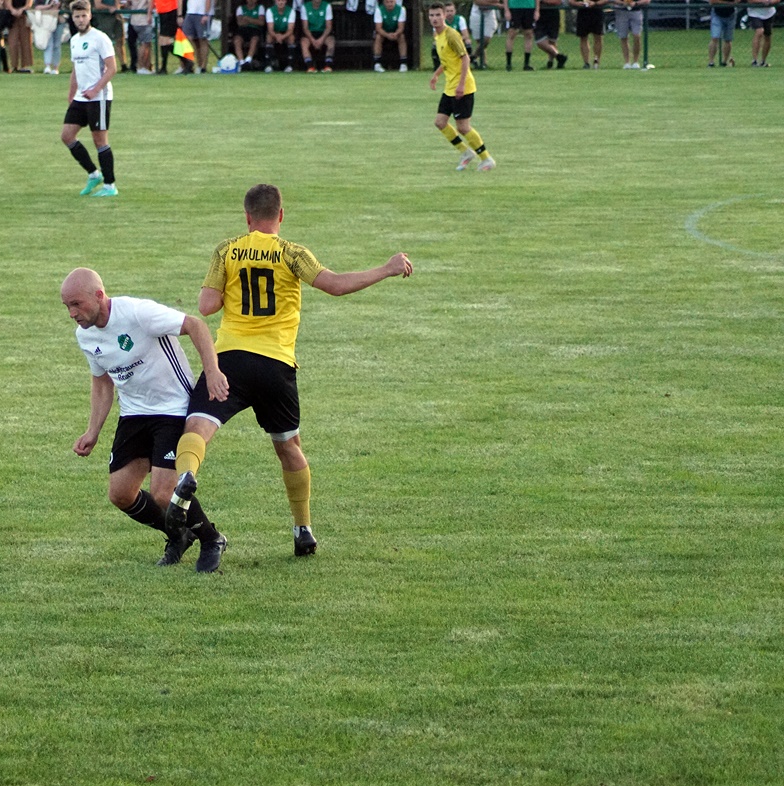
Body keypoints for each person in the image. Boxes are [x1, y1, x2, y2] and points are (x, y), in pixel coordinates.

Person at [163, 183, 413, 560]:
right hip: (276, 365)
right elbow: (335, 286)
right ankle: (302, 528)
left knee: (197, 428)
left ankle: (186, 477)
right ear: (280, 215)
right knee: (288, 447)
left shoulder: (227, 250)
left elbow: (207, 305)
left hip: (230, 358)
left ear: (247, 218)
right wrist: (387, 268)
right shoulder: (293, 253)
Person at [62, 268, 231, 572]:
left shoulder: (138, 313)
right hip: (134, 413)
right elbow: (102, 382)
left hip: (172, 409)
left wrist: (213, 371)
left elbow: (195, 325)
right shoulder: (85, 335)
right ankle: (177, 535)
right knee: (121, 494)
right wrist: (92, 431)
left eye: (77, 304)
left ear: (99, 295)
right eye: (67, 307)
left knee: (164, 493)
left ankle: (211, 538)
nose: (73, 313)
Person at [429, 0, 495, 171]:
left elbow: (464, 58)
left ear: (445, 15)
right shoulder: (437, 36)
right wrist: (436, 75)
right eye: (431, 15)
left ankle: (486, 158)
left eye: (438, 15)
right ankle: (465, 152)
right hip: (449, 87)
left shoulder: (451, 35)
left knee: (463, 127)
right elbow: (447, 61)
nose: (434, 18)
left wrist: (460, 85)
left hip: (462, 87)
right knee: (440, 122)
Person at [62, 0, 118, 197]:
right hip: (81, 97)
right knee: (67, 136)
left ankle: (110, 185)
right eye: (77, 16)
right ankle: (94, 174)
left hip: (99, 97)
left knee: (100, 141)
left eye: (83, 15)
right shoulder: (74, 40)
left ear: (90, 15)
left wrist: (95, 89)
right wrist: (71, 94)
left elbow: (112, 68)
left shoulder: (100, 39)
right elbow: (76, 70)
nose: (80, 20)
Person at [432, 1, 472, 70]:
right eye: (447, 11)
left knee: (468, 42)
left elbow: (465, 35)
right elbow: (436, 36)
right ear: (444, 12)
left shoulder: (460, 19)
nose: (450, 13)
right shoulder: (438, 20)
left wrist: (454, 40)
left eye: (451, 11)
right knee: (435, 44)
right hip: (444, 43)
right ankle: (437, 66)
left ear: (455, 11)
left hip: (458, 41)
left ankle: (466, 65)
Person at [179, 0, 214, 73]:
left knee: (202, 40)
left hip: (202, 13)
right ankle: (190, 64)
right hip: (190, 12)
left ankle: (202, 67)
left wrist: (206, 13)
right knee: (187, 38)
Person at [372, 0, 407, 72]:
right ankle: (377, 63)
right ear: (384, 2)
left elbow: (401, 27)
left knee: (402, 37)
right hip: (384, 33)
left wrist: (396, 34)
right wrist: (387, 35)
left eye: (391, 2)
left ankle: (403, 63)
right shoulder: (379, 10)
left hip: (395, 32)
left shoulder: (401, 9)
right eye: (387, 2)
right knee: (378, 37)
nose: (389, 4)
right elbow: (378, 28)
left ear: (395, 1)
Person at [299, 0, 334, 72]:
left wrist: (321, 39)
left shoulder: (327, 6)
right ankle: (310, 67)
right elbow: (305, 28)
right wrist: (312, 40)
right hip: (310, 33)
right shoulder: (305, 7)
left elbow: (328, 27)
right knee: (304, 43)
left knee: (331, 41)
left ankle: (328, 66)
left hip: (323, 32)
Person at [570, 0, 606, 69]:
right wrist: (577, 3)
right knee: (583, 37)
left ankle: (596, 61)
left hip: (597, 11)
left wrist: (595, 3)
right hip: (583, 12)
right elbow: (571, 1)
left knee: (598, 37)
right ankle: (586, 63)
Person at [91, 0, 125, 72]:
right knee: (104, 42)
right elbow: (98, 5)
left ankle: (123, 65)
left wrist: (116, 7)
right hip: (104, 18)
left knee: (120, 41)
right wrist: (110, 7)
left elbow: (117, 4)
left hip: (116, 16)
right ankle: (103, 65)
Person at [611, 0, 646, 69]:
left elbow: (647, 1)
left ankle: (635, 62)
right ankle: (627, 62)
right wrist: (622, 3)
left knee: (637, 36)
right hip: (622, 11)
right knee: (623, 37)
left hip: (636, 11)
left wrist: (636, 3)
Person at [533, 0, 568, 68]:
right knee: (540, 41)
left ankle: (550, 62)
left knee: (552, 40)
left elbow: (557, 2)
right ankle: (559, 56)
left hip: (553, 13)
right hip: (540, 14)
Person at [263, 0, 296, 72]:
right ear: (275, 1)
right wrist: (276, 36)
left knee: (291, 38)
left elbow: (290, 29)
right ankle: (268, 65)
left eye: (282, 0)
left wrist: (282, 37)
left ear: (286, 1)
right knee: (269, 37)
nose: (280, 2)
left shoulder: (291, 11)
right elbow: (270, 29)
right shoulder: (270, 11)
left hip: (285, 33)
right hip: (275, 32)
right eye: (278, 0)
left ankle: (290, 65)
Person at [502, 0, 535, 70]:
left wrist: (537, 10)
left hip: (529, 7)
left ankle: (526, 64)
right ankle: (508, 64)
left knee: (529, 34)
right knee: (512, 33)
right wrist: (506, 10)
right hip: (514, 7)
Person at [468, 0, 501, 68]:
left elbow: (496, 1)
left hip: (490, 14)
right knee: (479, 41)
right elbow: (477, 2)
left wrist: (485, 2)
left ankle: (472, 57)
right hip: (476, 13)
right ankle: (483, 63)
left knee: (486, 39)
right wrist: (492, 4)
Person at [232, 3, 265, 70]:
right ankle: (241, 62)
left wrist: (248, 19)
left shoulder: (260, 8)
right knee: (237, 40)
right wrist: (255, 20)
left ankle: (248, 60)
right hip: (243, 29)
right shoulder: (240, 8)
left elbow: (261, 22)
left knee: (254, 39)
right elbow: (240, 23)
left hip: (255, 29)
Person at [707, 0, 736, 67]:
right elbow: (712, 1)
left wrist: (734, 3)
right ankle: (711, 62)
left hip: (730, 14)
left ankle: (724, 62)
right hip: (717, 14)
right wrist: (727, 3)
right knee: (715, 37)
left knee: (728, 39)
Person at [8, 0, 35, 72]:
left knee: (26, 42)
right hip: (12, 19)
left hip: (24, 17)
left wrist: (22, 9)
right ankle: (14, 66)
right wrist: (12, 10)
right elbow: (7, 3)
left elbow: (29, 4)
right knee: (13, 43)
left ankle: (25, 65)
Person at [748, 0, 775, 67]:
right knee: (759, 31)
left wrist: (770, 2)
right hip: (755, 13)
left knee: (767, 36)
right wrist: (762, 1)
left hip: (769, 14)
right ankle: (754, 60)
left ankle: (763, 61)